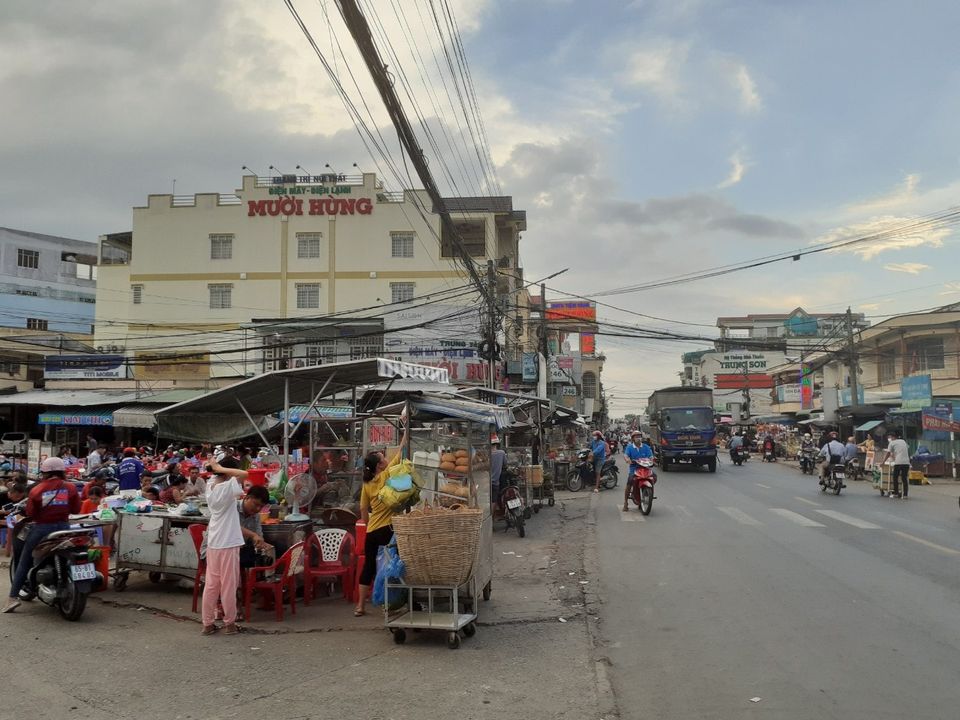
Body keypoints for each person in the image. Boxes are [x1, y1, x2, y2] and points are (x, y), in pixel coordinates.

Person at [4, 457, 81, 613]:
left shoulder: (37, 489)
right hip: (65, 528)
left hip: (43, 529)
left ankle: (12, 598)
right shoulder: (71, 487)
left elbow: (31, 513)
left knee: (25, 561)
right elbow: (76, 510)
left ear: (45, 472)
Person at [355, 425, 409, 617]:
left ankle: (360, 606)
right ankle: (389, 604)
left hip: (372, 531)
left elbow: (363, 508)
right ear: (380, 465)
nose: (386, 458)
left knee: (369, 566)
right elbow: (400, 453)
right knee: (390, 566)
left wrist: (366, 522)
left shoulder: (367, 483)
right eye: (382, 457)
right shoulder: (386, 476)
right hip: (387, 529)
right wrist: (405, 434)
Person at [201, 457, 248, 636]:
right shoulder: (227, 487)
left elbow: (234, 475)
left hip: (214, 541)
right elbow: (244, 474)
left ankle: (207, 624)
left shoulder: (211, 484)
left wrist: (217, 468)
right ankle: (230, 624)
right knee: (229, 585)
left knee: (212, 585)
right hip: (228, 541)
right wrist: (220, 467)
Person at [200, 485, 272, 570]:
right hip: (213, 552)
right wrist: (253, 535)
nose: (258, 509)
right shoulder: (231, 507)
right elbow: (230, 526)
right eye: (256, 504)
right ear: (247, 498)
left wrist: (261, 543)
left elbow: (258, 536)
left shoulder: (255, 516)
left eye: (261, 506)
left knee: (261, 557)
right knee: (249, 559)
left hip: (234, 552)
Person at [623, 431, 653, 512]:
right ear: (633, 438)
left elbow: (651, 456)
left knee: (654, 476)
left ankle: (648, 494)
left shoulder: (646, 447)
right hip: (635, 469)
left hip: (646, 468)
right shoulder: (629, 447)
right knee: (629, 481)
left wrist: (652, 459)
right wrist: (628, 459)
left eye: (639, 436)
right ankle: (625, 503)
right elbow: (626, 455)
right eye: (636, 437)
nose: (638, 438)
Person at [881, 430, 911, 499]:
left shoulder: (892, 443)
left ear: (892, 437)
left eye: (889, 437)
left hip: (898, 462)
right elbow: (906, 450)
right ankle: (905, 495)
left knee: (895, 477)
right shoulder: (903, 441)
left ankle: (896, 493)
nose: (889, 439)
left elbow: (888, 453)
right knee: (904, 478)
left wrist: (883, 462)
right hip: (906, 462)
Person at [489, 438, 506, 506]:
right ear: (497, 444)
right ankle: (492, 516)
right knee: (494, 501)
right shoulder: (502, 453)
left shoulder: (487, 453)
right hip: (496, 481)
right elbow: (505, 463)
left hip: (486, 481)